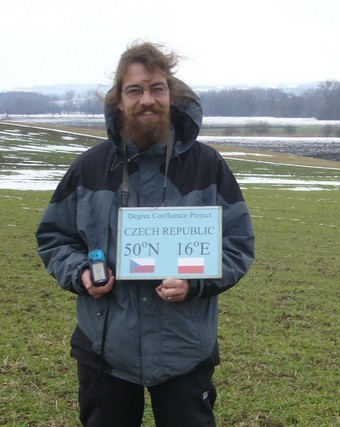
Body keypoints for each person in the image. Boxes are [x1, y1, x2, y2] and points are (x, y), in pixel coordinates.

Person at [36, 41, 255, 426]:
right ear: (119, 100)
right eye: (134, 90)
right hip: (106, 351)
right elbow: (55, 238)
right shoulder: (89, 168)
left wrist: (196, 281)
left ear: (171, 94)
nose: (146, 100)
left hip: (184, 350)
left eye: (156, 88)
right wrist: (80, 272)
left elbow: (237, 244)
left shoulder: (208, 166)